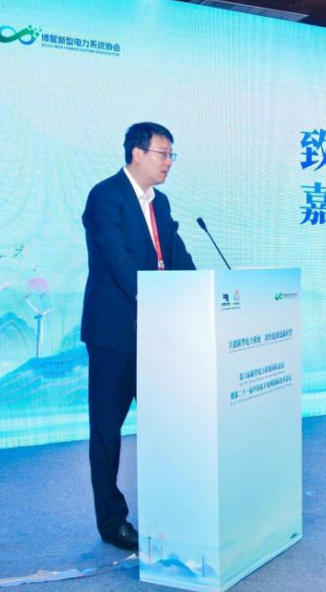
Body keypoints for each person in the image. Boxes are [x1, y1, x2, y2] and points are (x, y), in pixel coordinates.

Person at [80, 122, 195, 550]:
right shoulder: (105, 197)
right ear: (137, 153)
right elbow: (118, 262)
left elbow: (176, 254)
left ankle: (172, 509)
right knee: (107, 432)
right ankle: (112, 522)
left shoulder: (160, 203)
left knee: (167, 424)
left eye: (171, 155)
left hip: (158, 334)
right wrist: (159, 296)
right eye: (163, 154)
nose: (169, 163)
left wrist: (201, 289)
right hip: (114, 334)